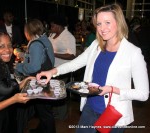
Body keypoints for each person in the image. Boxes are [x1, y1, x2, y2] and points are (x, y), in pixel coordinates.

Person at [37, 3, 149, 133]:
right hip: (90, 107)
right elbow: (75, 63)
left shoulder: (133, 52)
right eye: (99, 23)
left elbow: (143, 94)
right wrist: (53, 71)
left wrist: (113, 90)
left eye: (107, 22)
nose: (102, 28)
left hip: (113, 113)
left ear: (118, 23)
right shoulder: (96, 45)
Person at [14, 19, 56, 133]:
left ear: (28, 31)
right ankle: (42, 129)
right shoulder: (44, 39)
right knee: (44, 109)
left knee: (44, 112)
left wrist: (18, 67)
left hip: (39, 79)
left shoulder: (35, 44)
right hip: (46, 78)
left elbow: (33, 68)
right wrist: (24, 55)